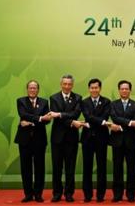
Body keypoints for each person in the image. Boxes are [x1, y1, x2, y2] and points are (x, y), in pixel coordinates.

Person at [80, 78, 120, 202]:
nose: (94, 90)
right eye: (92, 88)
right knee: (87, 167)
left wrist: (99, 121)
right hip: (87, 138)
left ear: (100, 88)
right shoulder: (84, 102)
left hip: (102, 138)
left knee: (101, 167)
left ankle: (100, 195)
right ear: (89, 89)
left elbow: (103, 116)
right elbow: (88, 116)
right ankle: (87, 195)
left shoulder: (107, 101)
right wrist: (103, 122)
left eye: (96, 87)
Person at [15, 80, 51, 203]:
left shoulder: (44, 102)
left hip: (39, 140)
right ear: (27, 89)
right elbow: (22, 114)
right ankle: (28, 194)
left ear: (38, 90)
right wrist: (39, 118)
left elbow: (48, 120)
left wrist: (29, 121)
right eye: (30, 88)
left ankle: (38, 194)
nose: (32, 90)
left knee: (39, 168)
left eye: (34, 88)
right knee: (26, 168)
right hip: (24, 140)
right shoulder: (20, 101)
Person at [49, 74, 83, 202]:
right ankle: (57, 193)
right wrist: (70, 122)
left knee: (70, 167)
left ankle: (69, 193)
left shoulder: (78, 98)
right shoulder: (53, 98)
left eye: (69, 84)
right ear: (61, 84)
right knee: (57, 167)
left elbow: (76, 113)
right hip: (57, 138)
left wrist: (60, 114)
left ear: (72, 85)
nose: (67, 86)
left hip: (71, 138)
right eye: (65, 84)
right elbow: (56, 117)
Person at [109, 80, 135, 202]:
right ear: (119, 90)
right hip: (116, 140)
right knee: (117, 168)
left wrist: (129, 122)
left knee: (132, 169)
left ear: (130, 90)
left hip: (131, 141)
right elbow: (114, 118)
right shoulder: (113, 104)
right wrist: (129, 122)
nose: (124, 91)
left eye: (126, 89)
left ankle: (131, 194)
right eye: (122, 89)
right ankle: (117, 194)